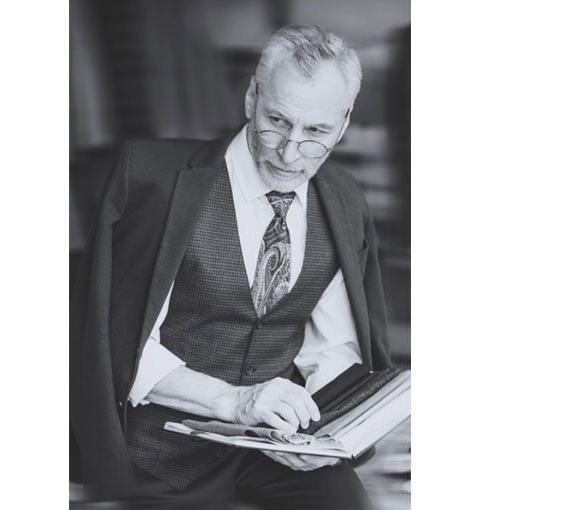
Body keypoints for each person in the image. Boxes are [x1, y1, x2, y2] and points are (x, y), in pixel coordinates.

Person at [71, 24, 394, 509]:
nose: (290, 152)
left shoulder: (344, 198)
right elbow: (114, 342)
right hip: (158, 454)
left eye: (316, 132)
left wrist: (323, 434)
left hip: (275, 452)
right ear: (251, 98)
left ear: (343, 125)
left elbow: (333, 351)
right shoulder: (151, 178)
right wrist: (234, 401)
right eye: (277, 121)